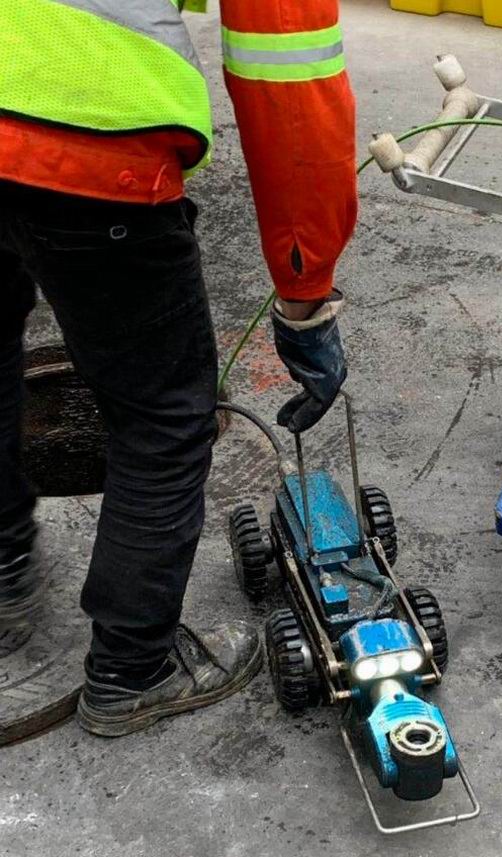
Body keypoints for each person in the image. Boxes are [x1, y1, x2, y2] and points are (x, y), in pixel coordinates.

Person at [0, 0, 357, 736]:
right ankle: (132, 671)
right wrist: (305, 292)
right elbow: (290, 90)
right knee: (163, 414)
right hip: (88, 145)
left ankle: (4, 573)